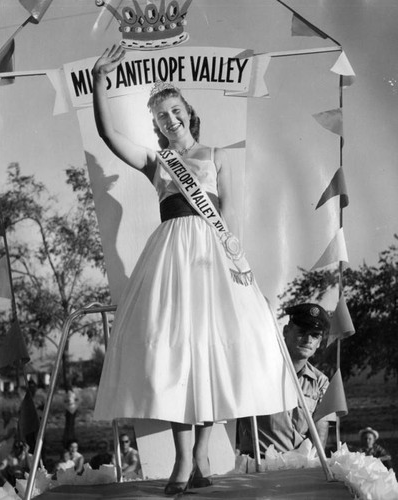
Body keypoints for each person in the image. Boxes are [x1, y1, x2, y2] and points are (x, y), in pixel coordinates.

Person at [92, 45, 296, 495]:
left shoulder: (218, 155)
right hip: (171, 260)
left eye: (175, 110)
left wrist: (240, 266)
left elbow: (233, 217)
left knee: (210, 352)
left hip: (212, 256)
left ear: (188, 111)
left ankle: (201, 454)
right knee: (174, 354)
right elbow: (108, 136)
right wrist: (100, 82)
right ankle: (182, 460)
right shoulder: (156, 162)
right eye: (161, 115)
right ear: (156, 125)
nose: (170, 119)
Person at [238, 303, 334, 457]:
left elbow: (319, 435)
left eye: (315, 335)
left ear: (319, 342)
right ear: (286, 331)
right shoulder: (257, 370)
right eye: (302, 332)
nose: (308, 340)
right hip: (260, 464)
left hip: (299, 467)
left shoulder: (320, 382)